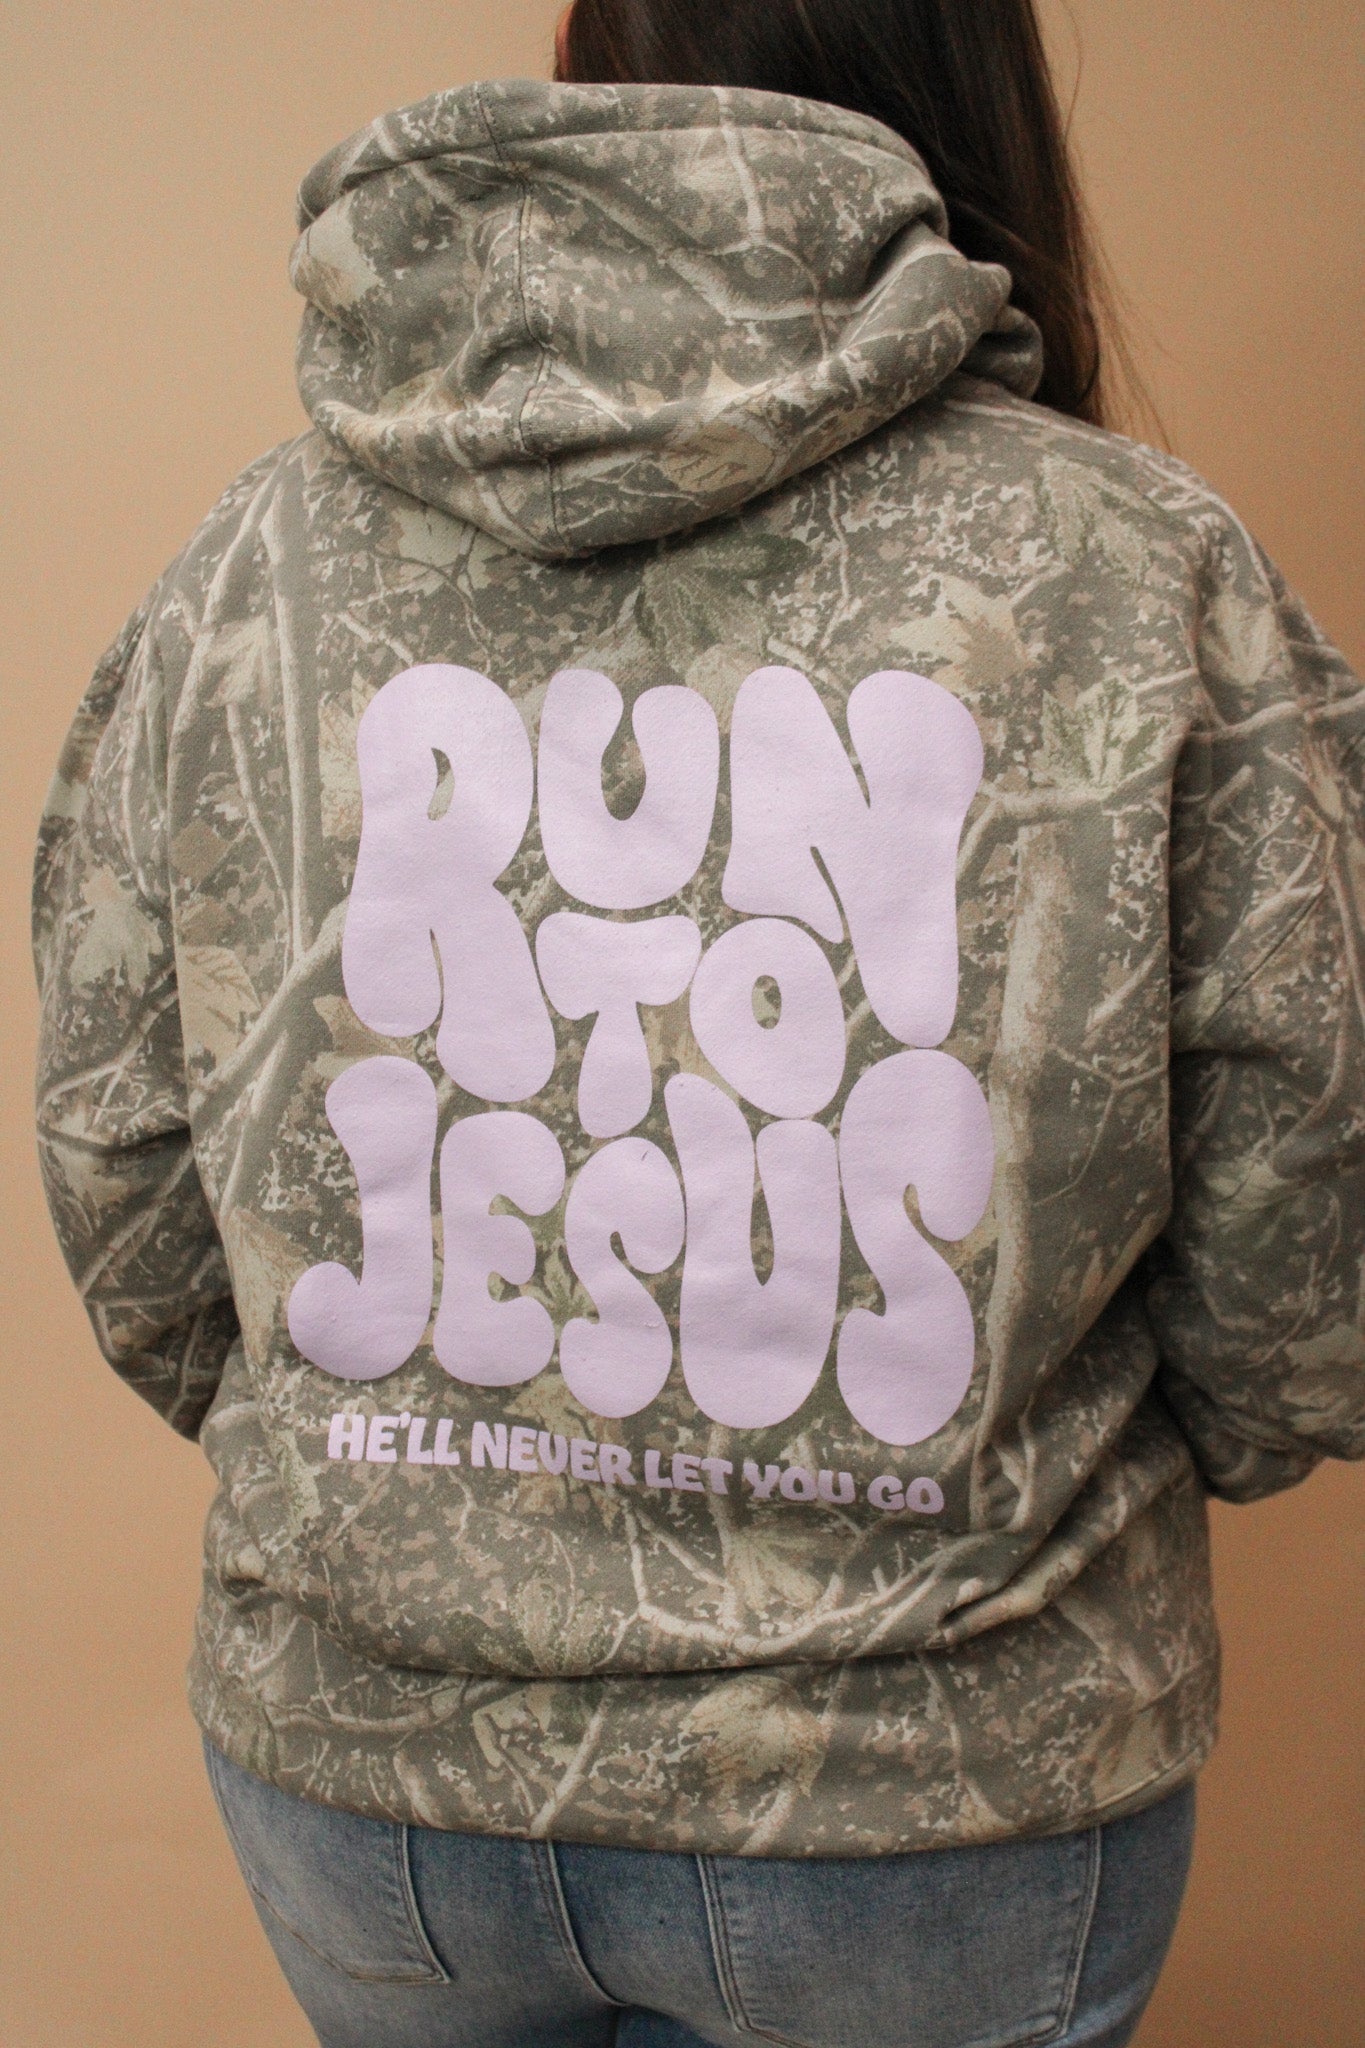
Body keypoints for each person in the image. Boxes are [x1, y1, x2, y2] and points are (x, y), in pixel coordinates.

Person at [32, 1, 1364, 2043]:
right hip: (935, 1777)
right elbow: (1304, 1245)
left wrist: (396, 1467)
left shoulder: (245, 564)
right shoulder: (1135, 564)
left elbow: (120, 1151)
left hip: (373, 1787)